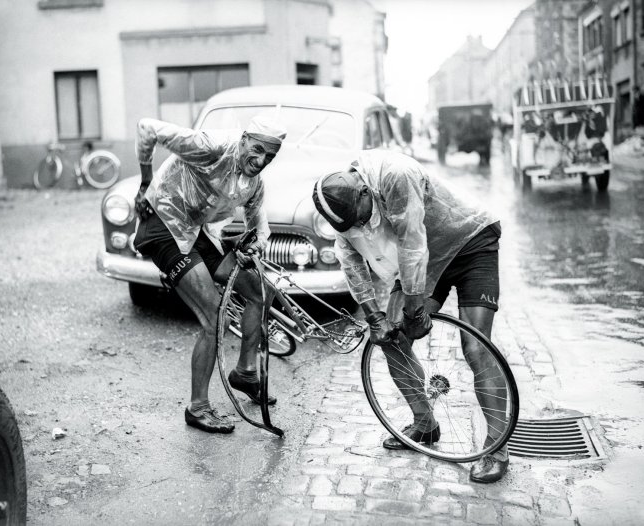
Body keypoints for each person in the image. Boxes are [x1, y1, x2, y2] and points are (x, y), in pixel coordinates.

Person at [312, 149, 510, 483]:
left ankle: (496, 447)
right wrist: (375, 318)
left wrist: (416, 309)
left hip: (470, 240)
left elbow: (413, 242)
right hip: (424, 259)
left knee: (476, 348)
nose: (358, 226)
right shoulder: (343, 208)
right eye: (350, 225)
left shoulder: (395, 175)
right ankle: (425, 423)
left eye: (360, 218)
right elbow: (351, 262)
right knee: (391, 339)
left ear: (363, 191)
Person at [132, 115, 286, 434]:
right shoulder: (211, 148)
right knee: (214, 316)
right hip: (161, 223)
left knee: (260, 290)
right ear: (243, 139)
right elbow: (147, 129)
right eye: (256, 150)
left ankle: (245, 373)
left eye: (269, 157)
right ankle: (197, 407)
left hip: (193, 230)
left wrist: (253, 244)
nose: (260, 161)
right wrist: (145, 182)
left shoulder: (253, 182)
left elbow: (259, 226)